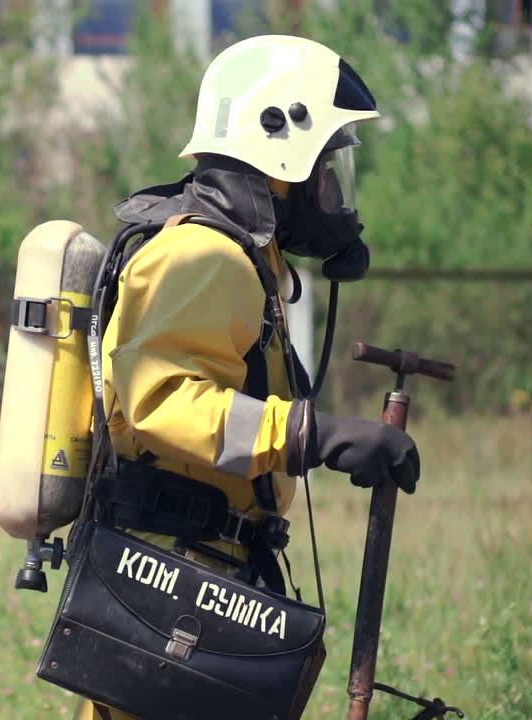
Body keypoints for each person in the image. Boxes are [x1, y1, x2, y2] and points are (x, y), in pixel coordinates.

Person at [74, 35, 420, 720]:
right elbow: (160, 400)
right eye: (327, 167)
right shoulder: (204, 256)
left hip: (201, 570)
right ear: (280, 150)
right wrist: (311, 435)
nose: (332, 190)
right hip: (169, 580)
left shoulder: (243, 260)